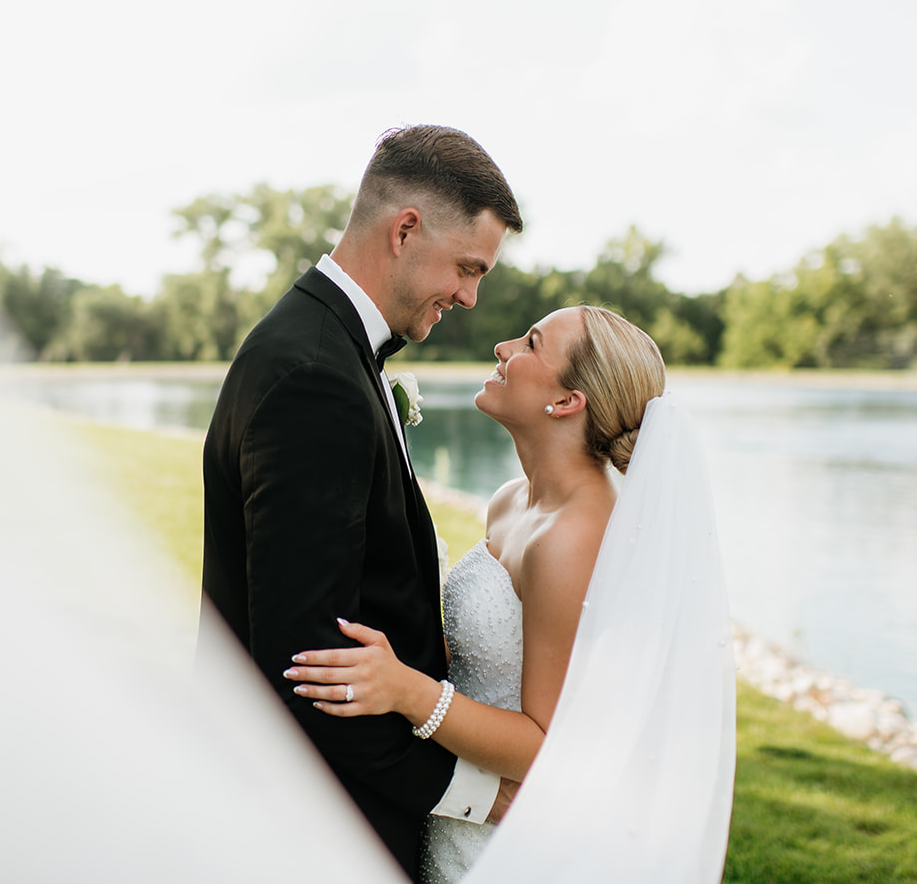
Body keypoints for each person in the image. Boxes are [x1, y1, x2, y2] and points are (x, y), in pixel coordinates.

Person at [287, 306, 736, 883]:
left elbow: (548, 745)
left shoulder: (572, 537)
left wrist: (407, 691)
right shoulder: (510, 499)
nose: (502, 347)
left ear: (567, 401)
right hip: (462, 817)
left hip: (513, 841)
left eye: (530, 342)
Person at [199, 125, 523, 881]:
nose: (471, 296)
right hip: (316, 827)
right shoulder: (316, 377)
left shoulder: (326, 343)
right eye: (468, 268)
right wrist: (474, 791)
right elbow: (308, 667)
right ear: (405, 229)